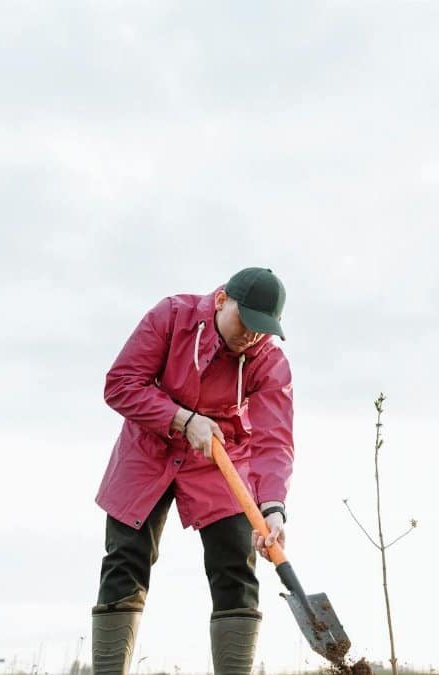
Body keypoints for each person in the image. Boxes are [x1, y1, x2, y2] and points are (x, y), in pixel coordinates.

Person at [91, 267, 294, 675]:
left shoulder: (267, 359)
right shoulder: (172, 317)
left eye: (262, 328)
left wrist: (272, 506)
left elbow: (274, 438)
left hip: (220, 460)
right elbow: (121, 384)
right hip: (148, 449)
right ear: (222, 301)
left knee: (236, 568)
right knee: (125, 561)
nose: (251, 336)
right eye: (247, 323)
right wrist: (182, 418)